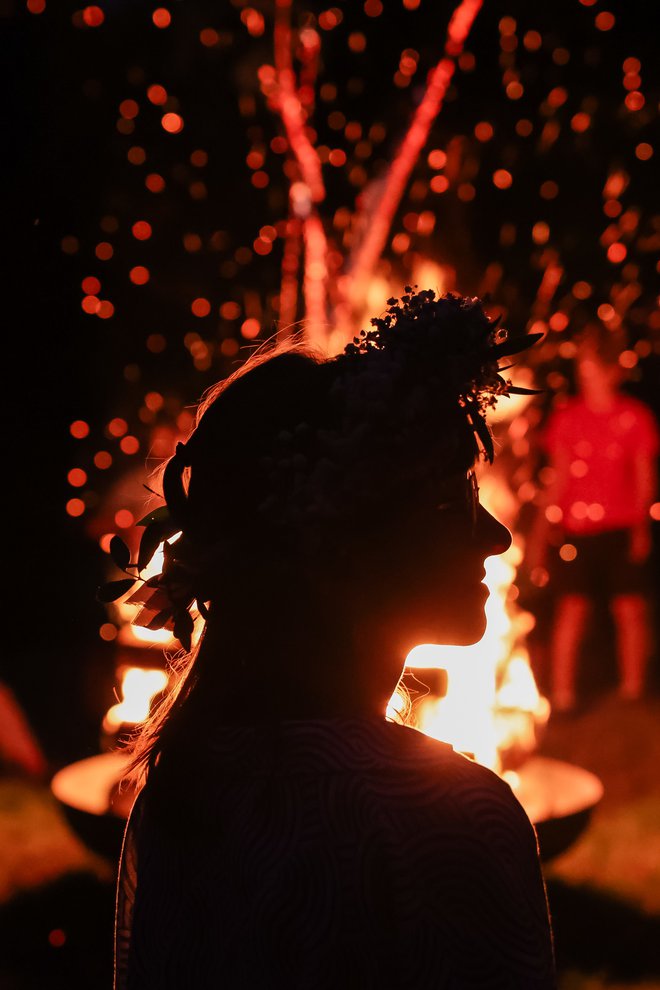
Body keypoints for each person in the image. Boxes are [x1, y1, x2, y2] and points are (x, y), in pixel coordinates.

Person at [108, 290, 555, 989]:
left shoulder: (184, 794)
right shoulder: (450, 819)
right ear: (349, 539)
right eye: (450, 500)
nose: (496, 537)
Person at [529, 325, 658, 713]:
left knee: (630, 608)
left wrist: (640, 527)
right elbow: (560, 478)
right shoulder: (568, 419)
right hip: (577, 531)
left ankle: (633, 690)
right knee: (572, 609)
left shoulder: (634, 418)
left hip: (620, 527)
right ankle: (562, 695)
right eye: (581, 372)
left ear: (613, 371)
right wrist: (542, 529)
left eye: (593, 371)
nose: (586, 380)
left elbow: (643, 480)